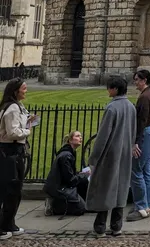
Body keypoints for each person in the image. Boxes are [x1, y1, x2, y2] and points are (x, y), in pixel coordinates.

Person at [86, 76, 136, 238]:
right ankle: (116, 226)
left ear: (115, 89)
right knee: (121, 189)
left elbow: (102, 137)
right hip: (125, 153)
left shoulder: (112, 108)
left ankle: (100, 227)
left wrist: (93, 159)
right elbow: (133, 132)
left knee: (104, 188)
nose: (108, 90)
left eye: (109, 87)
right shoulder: (131, 107)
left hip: (110, 154)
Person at [0, 78, 38, 240]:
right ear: (16, 91)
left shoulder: (18, 107)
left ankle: (9, 223)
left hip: (16, 151)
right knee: (7, 190)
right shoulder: (12, 108)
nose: (26, 90)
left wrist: (29, 121)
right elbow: (12, 133)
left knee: (15, 190)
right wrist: (27, 131)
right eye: (24, 88)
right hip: (10, 151)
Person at [127, 69, 150, 221]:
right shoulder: (149, 93)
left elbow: (141, 121)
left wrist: (135, 143)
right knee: (146, 170)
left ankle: (141, 207)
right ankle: (147, 206)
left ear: (144, 80)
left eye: (137, 80)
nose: (135, 83)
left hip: (145, 134)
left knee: (136, 170)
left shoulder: (145, 97)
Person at [43, 131, 90, 217]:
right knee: (81, 209)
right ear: (70, 140)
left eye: (81, 136)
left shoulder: (69, 153)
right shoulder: (66, 156)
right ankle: (54, 206)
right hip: (60, 189)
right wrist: (84, 175)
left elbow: (69, 174)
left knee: (84, 180)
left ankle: (84, 202)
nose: (81, 138)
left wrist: (81, 174)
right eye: (77, 136)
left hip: (62, 185)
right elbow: (70, 180)